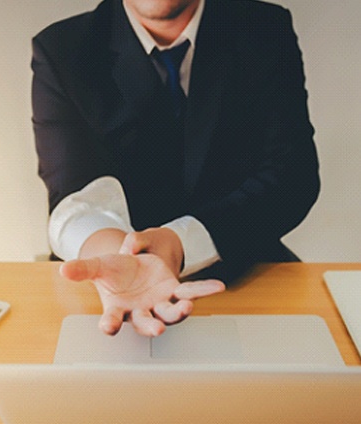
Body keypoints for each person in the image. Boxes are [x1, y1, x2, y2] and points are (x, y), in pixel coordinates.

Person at [31, 0, 320, 336]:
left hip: (243, 265)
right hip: (107, 289)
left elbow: (292, 176)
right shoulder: (62, 48)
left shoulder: (264, 28)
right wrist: (123, 259)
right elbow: (73, 195)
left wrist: (180, 242)